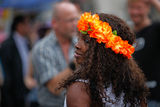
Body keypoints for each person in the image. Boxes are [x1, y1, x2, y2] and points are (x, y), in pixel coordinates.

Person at [62, 12, 149, 107]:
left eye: (87, 41)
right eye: (78, 38)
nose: (77, 45)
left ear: (105, 50)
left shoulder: (133, 86)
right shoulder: (80, 89)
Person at [31, 1, 79, 107]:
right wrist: (74, 64)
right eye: (70, 20)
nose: (75, 24)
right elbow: (55, 88)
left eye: (76, 19)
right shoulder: (42, 49)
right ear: (54, 23)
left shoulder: (78, 42)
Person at [128, 0, 160, 106]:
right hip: (132, 98)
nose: (135, 12)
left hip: (153, 98)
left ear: (148, 8)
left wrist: (154, 2)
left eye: (139, 8)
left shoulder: (155, 29)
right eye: (132, 8)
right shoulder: (128, 35)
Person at [0, 14, 31, 107]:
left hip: (25, 89)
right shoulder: (7, 45)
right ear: (19, 26)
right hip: (12, 92)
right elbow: (7, 72)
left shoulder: (27, 42)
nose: (29, 27)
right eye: (27, 24)